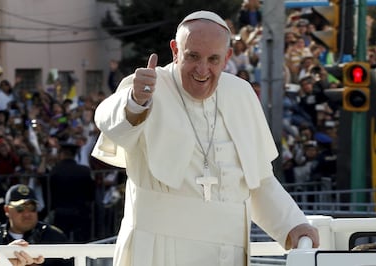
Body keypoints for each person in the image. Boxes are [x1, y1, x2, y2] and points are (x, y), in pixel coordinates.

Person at [92, 10, 319, 266]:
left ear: (227, 58)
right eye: (192, 56)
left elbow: (258, 180)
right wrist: (136, 102)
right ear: (175, 50)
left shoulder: (241, 94)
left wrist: (293, 224)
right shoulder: (148, 85)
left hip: (227, 254)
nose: (202, 69)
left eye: (213, 59)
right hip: (160, 251)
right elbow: (109, 119)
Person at [0, 184, 71, 266]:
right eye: (20, 208)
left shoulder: (54, 237)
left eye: (32, 208)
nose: (27, 214)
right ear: (7, 210)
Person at [47, 142, 95, 243]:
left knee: (61, 241)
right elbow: (91, 193)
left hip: (61, 212)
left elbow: (49, 193)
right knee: (81, 243)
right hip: (81, 211)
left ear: (62, 154)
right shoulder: (84, 171)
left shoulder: (55, 171)